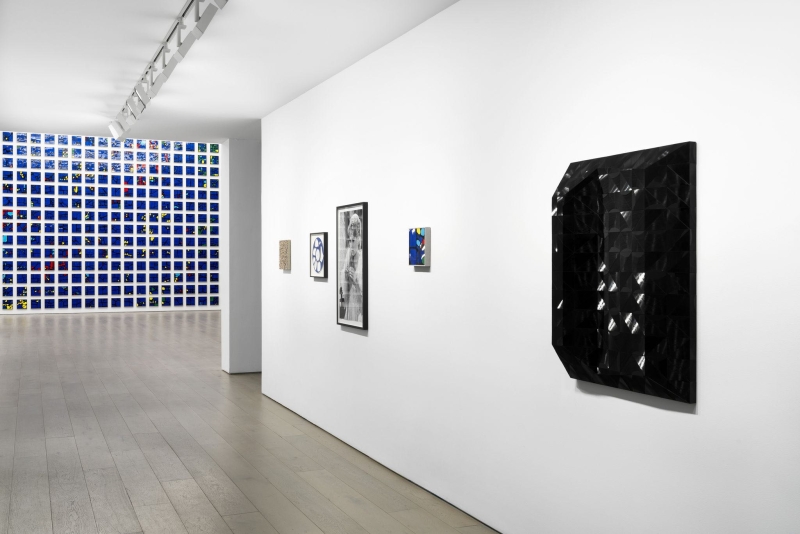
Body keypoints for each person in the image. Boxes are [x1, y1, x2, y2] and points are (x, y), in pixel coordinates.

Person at [340, 212, 363, 323]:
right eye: (349, 241)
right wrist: (345, 276)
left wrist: (356, 282)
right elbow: (343, 288)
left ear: (359, 239)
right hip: (350, 305)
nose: (351, 245)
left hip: (359, 309)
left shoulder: (362, 259)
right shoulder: (348, 257)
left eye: (353, 240)